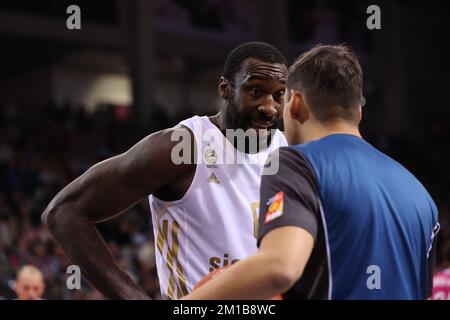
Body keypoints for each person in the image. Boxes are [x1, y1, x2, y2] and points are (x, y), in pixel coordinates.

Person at [183, 44, 440, 300]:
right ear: (358, 112)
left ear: (294, 103)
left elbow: (279, 268)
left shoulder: (297, 163)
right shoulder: (421, 195)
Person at [41, 42, 288, 299]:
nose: (269, 107)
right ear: (224, 89)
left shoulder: (292, 151)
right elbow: (64, 211)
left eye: (279, 95)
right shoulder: (184, 147)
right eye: (255, 91)